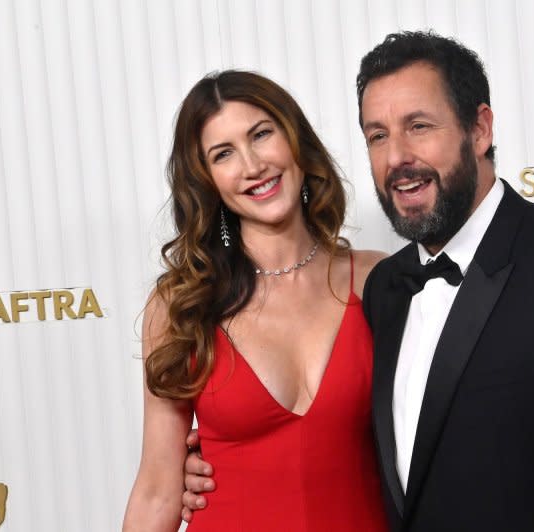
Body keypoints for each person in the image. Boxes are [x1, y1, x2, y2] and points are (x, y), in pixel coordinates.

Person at [183, 32, 534, 531]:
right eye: (378, 136)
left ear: (479, 129)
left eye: (420, 126)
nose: (397, 159)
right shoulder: (386, 288)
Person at [123, 70, 387, 531]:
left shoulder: (378, 281)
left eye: (261, 134)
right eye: (223, 154)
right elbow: (157, 491)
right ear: (207, 180)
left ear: (295, 140)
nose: (252, 165)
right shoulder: (182, 305)